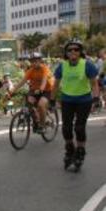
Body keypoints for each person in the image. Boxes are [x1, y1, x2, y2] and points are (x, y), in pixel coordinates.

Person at [51, 39, 99, 171]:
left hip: (84, 100)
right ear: (66, 53)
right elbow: (55, 84)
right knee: (66, 128)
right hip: (67, 100)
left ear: (80, 52)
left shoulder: (87, 65)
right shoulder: (62, 66)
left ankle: (80, 150)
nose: (73, 52)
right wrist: (52, 100)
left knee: (79, 128)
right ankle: (70, 149)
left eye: (76, 49)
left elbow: (94, 83)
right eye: (70, 50)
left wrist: (96, 99)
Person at [9, 52, 54, 133]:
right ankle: (36, 121)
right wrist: (12, 91)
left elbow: (44, 80)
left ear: (40, 61)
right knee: (29, 103)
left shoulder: (44, 69)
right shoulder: (31, 71)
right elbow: (22, 82)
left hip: (47, 89)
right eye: (32, 61)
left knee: (41, 105)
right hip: (34, 90)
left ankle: (42, 126)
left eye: (36, 61)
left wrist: (41, 89)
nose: (34, 63)